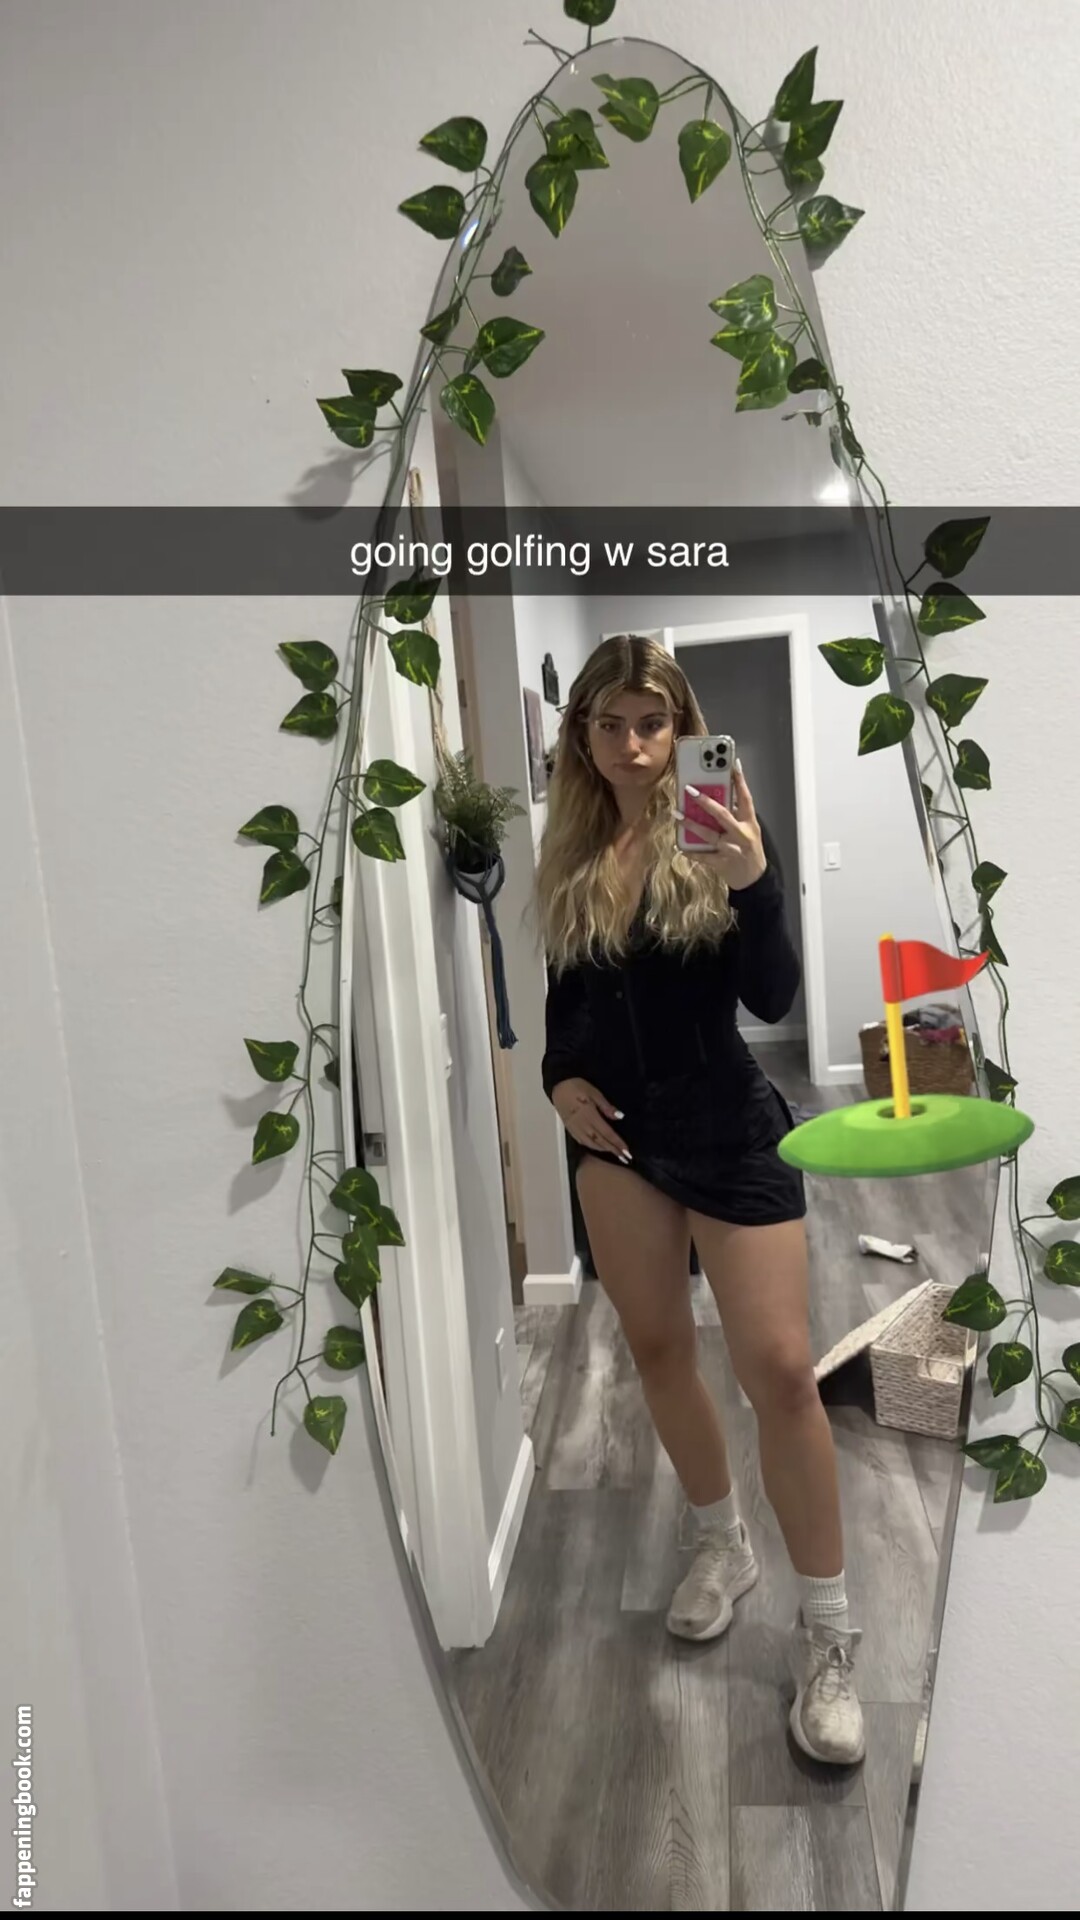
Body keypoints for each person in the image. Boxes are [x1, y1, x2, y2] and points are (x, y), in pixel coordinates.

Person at [535, 634, 864, 1768]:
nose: (634, 746)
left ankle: (830, 1635)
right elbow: (568, 1010)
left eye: (654, 723)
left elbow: (772, 995)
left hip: (727, 1128)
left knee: (781, 1371)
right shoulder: (573, 852)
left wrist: (753, 882)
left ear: (683, 730)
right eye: (611, 724)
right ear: (583, 736)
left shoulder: (720, 836)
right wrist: (559, 1083)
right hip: (616, 1142)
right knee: (659, 1350)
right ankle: (722, 1541)